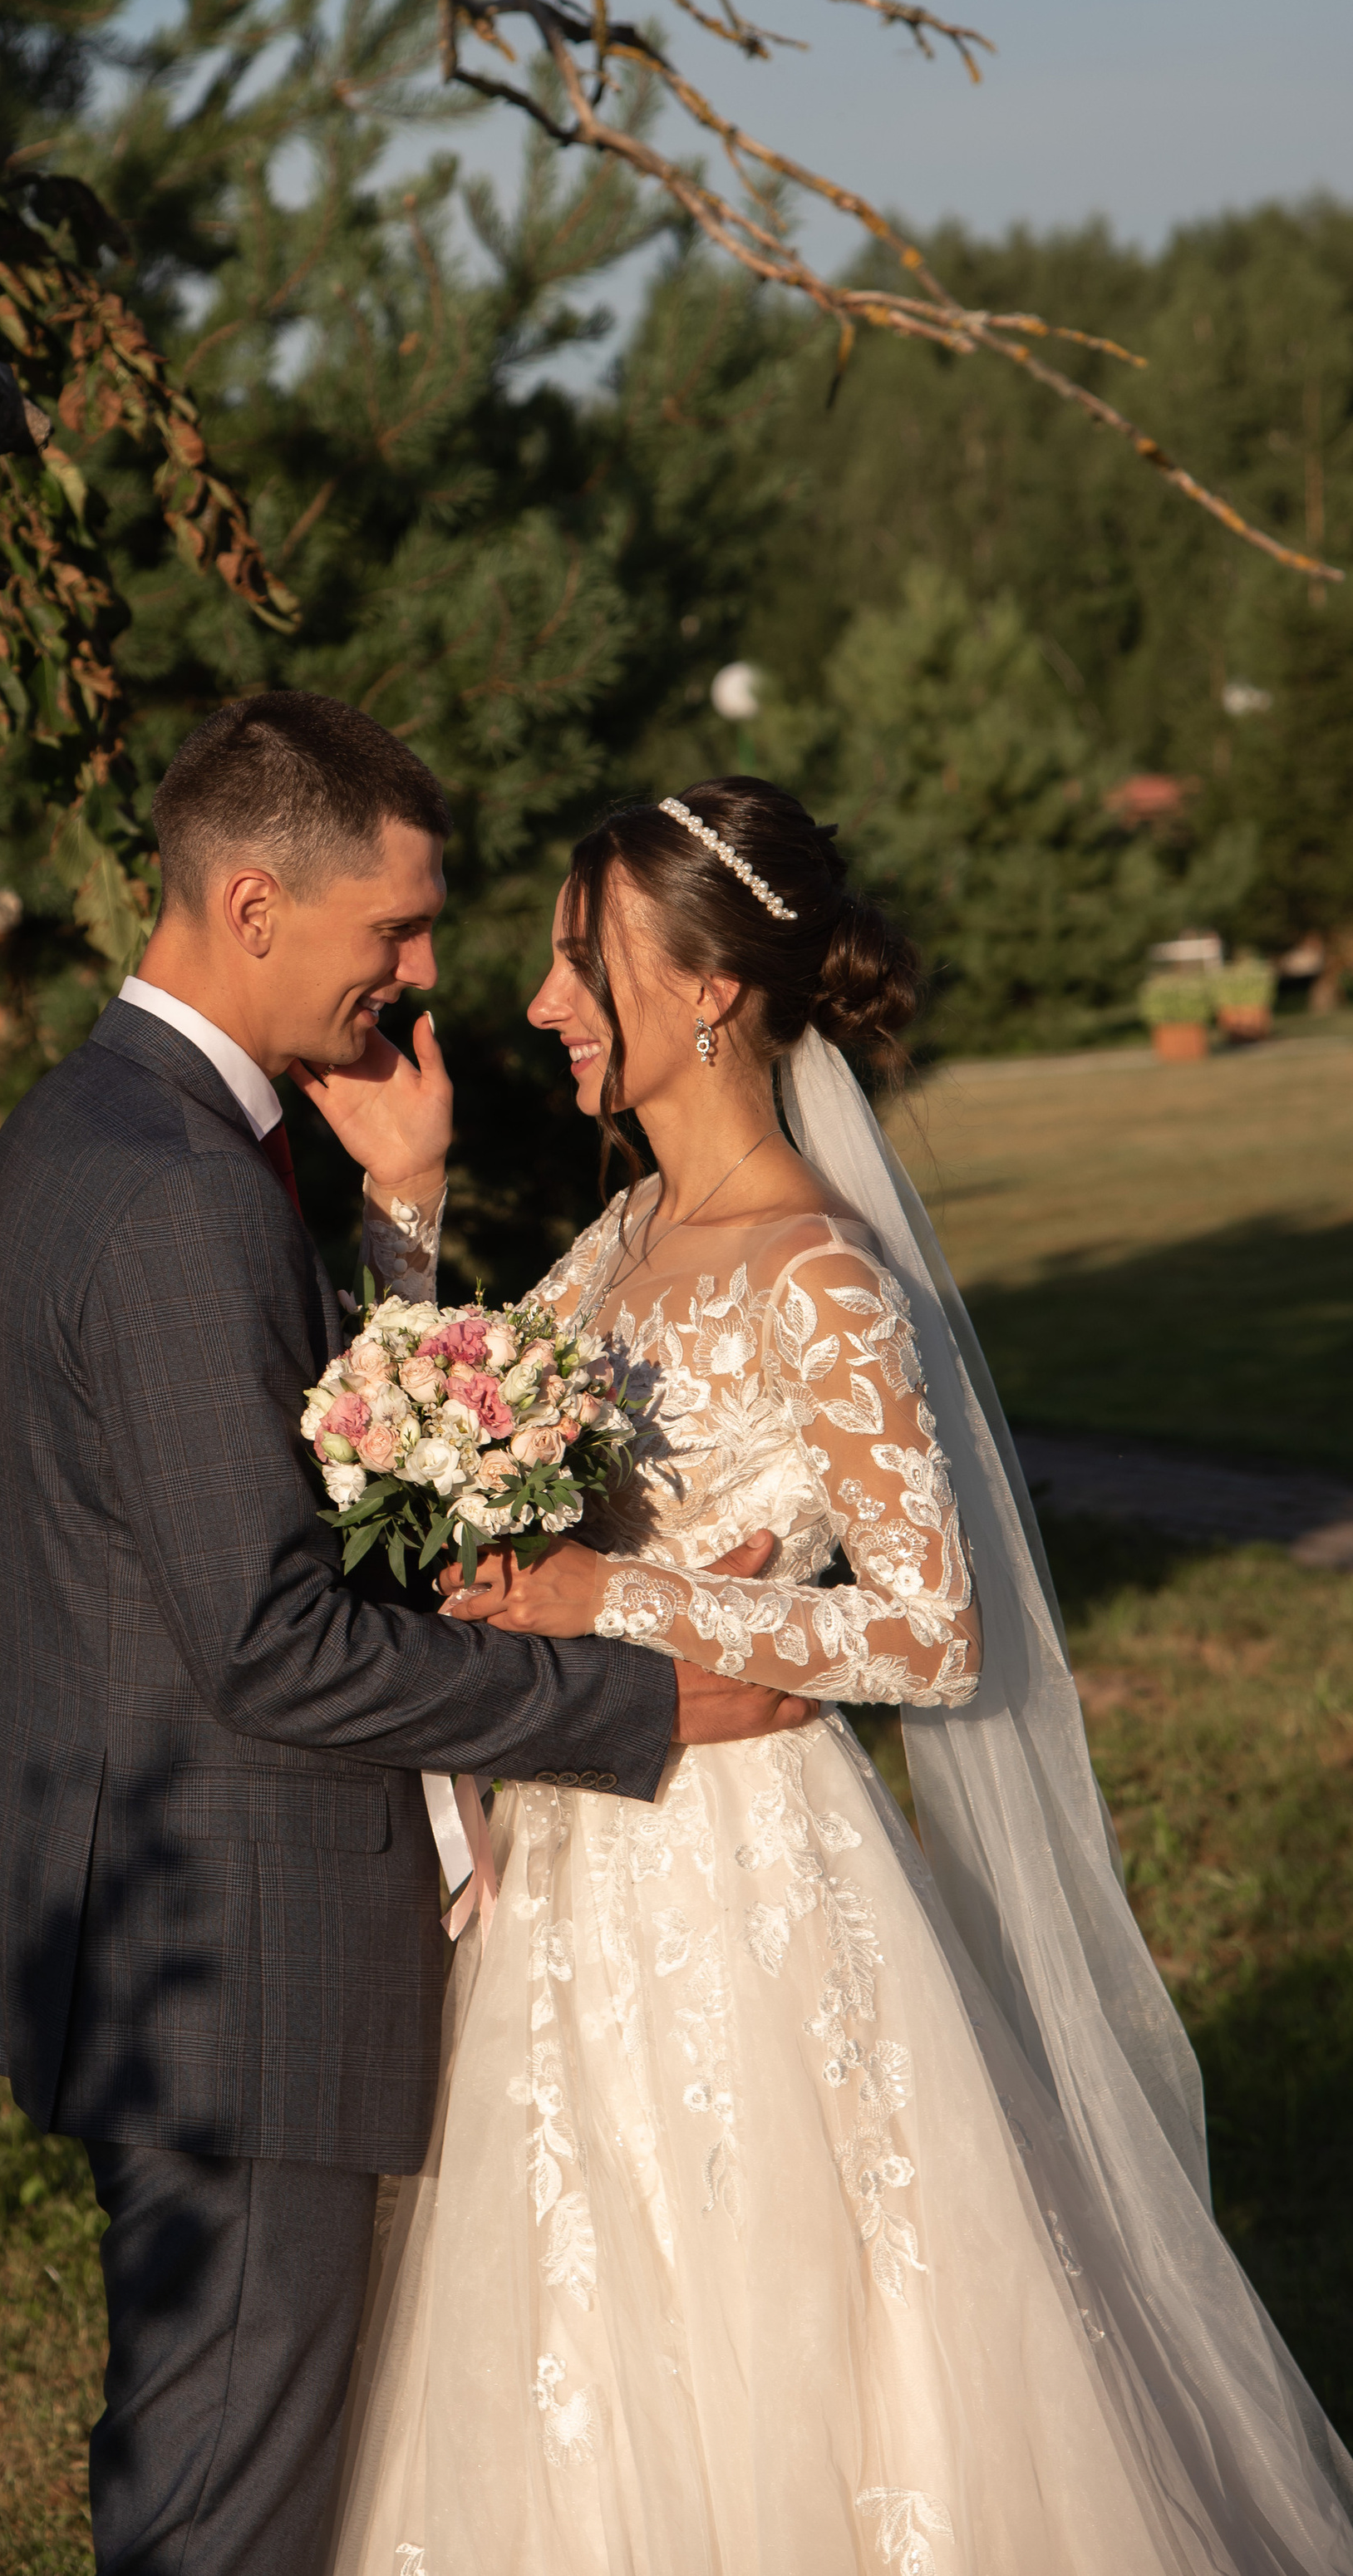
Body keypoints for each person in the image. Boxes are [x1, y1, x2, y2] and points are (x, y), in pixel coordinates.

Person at [320, 777, 1353, 2576]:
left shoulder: (817, 1275)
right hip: (574, 1865)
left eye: (582, 964)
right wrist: (402, 1222)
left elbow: (925, 1627)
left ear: (706, 987)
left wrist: (611, 1600)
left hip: (746, 1873)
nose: (545, 1004)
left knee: (790, 2313)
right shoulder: (611, 1247)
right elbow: (451, 1443)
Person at [0, 697, 809, 2576]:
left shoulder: (103, 1130)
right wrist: (625, 1702)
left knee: (206, 2458)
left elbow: (285, 1472)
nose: (423, 971)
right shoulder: (172, 1193)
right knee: (225, 2508)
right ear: (249, 906)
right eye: (390, 929)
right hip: (230, 1952)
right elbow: (274, 1637)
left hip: (155, 1929)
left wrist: (399, 1215)